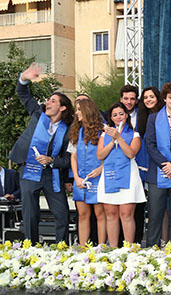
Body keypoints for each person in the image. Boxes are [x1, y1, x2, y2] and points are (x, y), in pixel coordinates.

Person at [12, 63, 74, 243]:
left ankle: (60, 248)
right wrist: (24, 77)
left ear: (62, 108)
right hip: (29, 169)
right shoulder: (38, 113)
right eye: (48, 100)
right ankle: (31, 246)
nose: (48, 103)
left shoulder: (69, 130)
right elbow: (23, 94)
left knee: (62, 213)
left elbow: (68, 159)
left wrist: (51, 160)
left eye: (53, 101)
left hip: (51, 174)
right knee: (30, 212)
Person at [97, 102, 147, 247]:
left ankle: (129, 248)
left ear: (126, 115)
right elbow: (100, 155)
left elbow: (131, 153)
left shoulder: (134, 134)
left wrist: (119, 137)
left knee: (126, 214)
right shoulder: (104, 135)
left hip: (128, 176)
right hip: (109, 176)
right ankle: (113, 248)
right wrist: (112, 141)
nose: (118, 117)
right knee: (111, 213)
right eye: (115, 115)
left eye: (121, 114)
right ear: (111, 118)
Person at [144, 81, 171, 248]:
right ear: (164, 98)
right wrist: (165, 165)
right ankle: (152, 249)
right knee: (155, 215)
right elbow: (150, 145)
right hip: (157, 174)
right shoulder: (153, 118)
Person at [69, 98, 105, 246]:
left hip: (98, 178)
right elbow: (73, 156)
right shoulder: (76, 131)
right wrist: (76, 177)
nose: (77, 113)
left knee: (100, 214)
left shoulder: (103, 130)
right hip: (81, 179)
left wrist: (101, 169)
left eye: (79, 109)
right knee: (83, 214)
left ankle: (102, 246)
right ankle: (83, 247)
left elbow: (111, 155)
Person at [134, 86, 164, 243]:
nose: (148, 100)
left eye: (151, 97)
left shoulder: (163, 116)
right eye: (145, 97)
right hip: (142, 168)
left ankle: (165, 241)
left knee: (161, 210)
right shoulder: (142, 117)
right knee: (143, 210)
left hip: (160, 168)